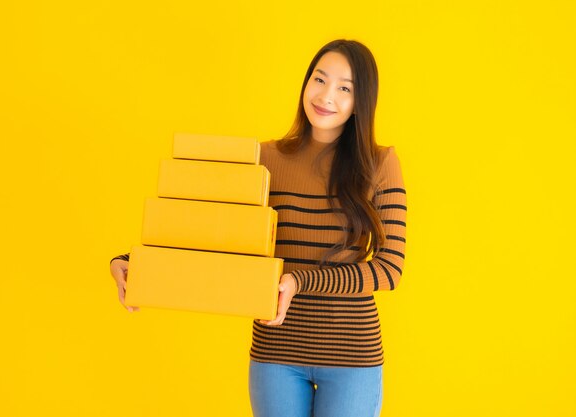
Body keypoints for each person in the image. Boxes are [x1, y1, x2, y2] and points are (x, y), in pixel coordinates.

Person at [110, 39, 406, 417]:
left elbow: (390, 269)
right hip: (275, 353)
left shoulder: (381, 164)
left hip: (351, 356)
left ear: (361, 101)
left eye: (344, 88)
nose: (326, 95)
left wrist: (299, 282)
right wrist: (133, 262)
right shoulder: (265, 158)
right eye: (319, 79)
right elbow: (209, 229)